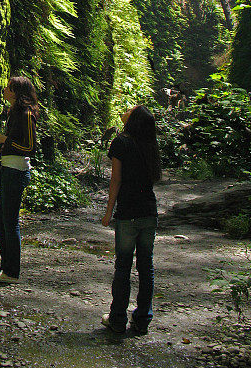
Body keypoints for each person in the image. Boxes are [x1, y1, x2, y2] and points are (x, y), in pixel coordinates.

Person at [101, 104, 162, 335]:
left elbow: (115, 180)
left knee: (123, 267)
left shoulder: (120, 142)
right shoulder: (150, 144)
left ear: (133, 119)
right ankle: (143, 319)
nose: (125, 110)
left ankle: (117, 319)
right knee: (146, 267)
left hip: (128, 215)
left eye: (130, 109)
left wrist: (109, 212)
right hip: (149, 213)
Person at [0, 76, 38, 283]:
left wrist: (5, 140)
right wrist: (2, 144)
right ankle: (5, 267)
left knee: (9, 221)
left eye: (9, 87)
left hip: (16, 172)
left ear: (17, 92)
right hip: (8, 170)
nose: (5, 90)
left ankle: (11, 272)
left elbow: (30, 147)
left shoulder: (26, 114)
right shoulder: (13, 112)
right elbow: (17, 143)